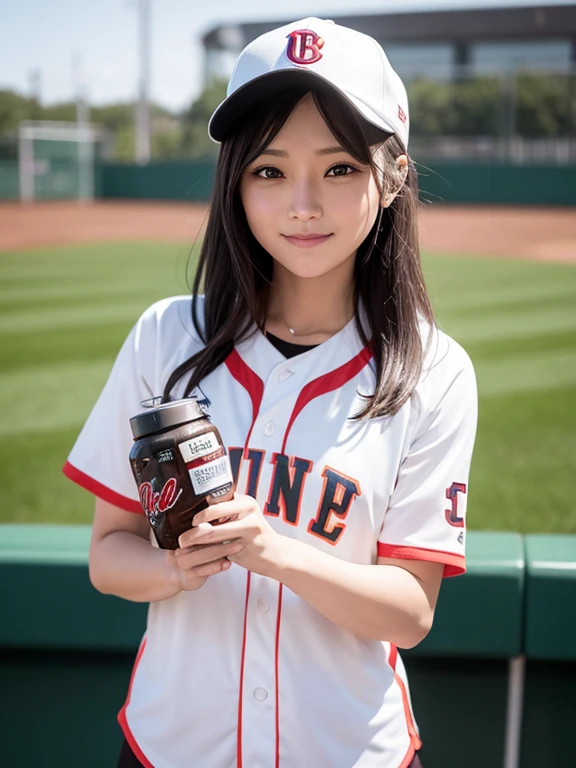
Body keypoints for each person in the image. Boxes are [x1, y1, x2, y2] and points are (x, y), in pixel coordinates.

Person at [63, 17, 477, 768]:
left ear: (390, 178)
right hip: (171, 748)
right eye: (270, 170)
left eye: (340, 168)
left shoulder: (432, 369)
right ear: (236, 182)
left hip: (350, 752)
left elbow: (411, 612)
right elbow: (107, 554)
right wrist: (170, 570)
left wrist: (273, 553)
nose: (303, 204)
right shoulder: (166, 337)